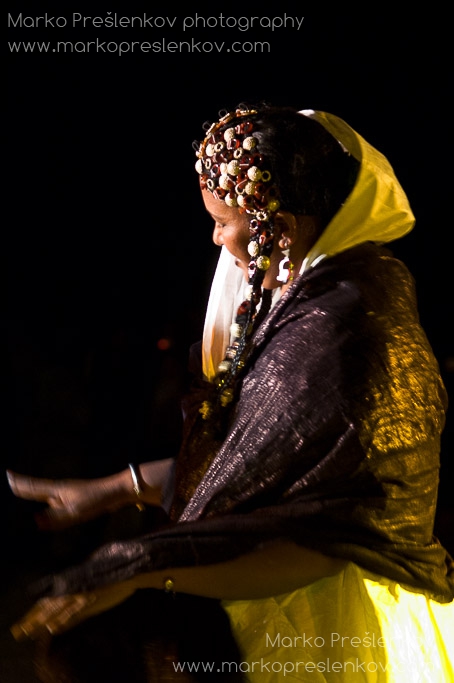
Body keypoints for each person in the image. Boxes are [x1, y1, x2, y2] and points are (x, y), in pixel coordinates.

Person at [7, 104, 454, 682]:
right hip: (268, 603)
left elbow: (329, 535)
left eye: (222, 221)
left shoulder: (341, 331)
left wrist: (142, 567)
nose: (216, 238)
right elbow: (269, 471)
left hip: (327, 625)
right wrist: (115, 489)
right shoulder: (311, 295)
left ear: (280, 227)